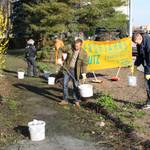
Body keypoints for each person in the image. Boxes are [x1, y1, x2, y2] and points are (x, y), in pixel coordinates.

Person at [58, 39, 88, 108]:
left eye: (77, 46)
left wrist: (84, 74)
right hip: (67, 69)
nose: (75, 47)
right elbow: (60, 49)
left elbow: (84, 64)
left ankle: (76, 101)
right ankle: (65, 100)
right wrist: (59, 58)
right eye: (75, 45)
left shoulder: (84, 53)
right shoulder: (69, 47)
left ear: (81, 45)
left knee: (76, 86)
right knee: (65, 84)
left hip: (76, 71)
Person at [132, 33, 150, 109]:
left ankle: (149, 103)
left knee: (148, 85)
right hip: (147, 66)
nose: (136, 44)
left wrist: (148, 72)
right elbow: (140, 56)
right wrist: (135, 65)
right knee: (148, 84)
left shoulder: (148, 43)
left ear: (140, 38)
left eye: (136, 42)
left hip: (149, 66)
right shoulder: (140, 44)